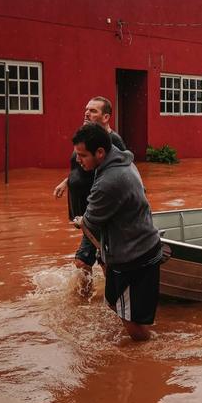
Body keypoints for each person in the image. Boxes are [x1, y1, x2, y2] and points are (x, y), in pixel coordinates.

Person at [72, 123, 162, 341]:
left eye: (82, 155)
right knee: (114, 302)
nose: (78, 160)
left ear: (100, 152)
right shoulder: (122, 160)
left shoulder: (110, 181)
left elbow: (91, 221)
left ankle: (149, 355)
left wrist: (81, 220)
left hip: (134, 257)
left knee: (131, 323)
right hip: (135, 247)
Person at [53, 97, 127, 286]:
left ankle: (91, 304)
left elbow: (122, 171)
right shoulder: (87, 137)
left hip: (99, 212)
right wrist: (66, 182)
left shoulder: (113, 141)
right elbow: (81, 167)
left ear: (106, 117)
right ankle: (110, 296)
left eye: (93, 111)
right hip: (87, 212)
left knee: (84, 260)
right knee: (101, 254)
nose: (87, 113)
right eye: (86, 109)